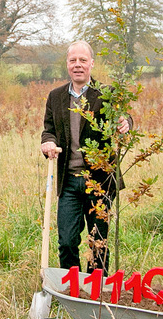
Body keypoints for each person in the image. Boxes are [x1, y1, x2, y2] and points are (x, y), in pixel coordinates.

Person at [40, 41, 131, 274]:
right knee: (67, 241)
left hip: (100, 181)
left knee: (98, 241)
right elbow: (49, 128)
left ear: (92, 63)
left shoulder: (106, 94)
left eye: (83, 60)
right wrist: (47, 142)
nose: (77, 65)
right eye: (73, 61)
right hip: (68, 180)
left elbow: (124, 117)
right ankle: (72, 290)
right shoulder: (56, 96)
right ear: (67, 64)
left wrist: (125, 123)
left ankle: (96, 293)